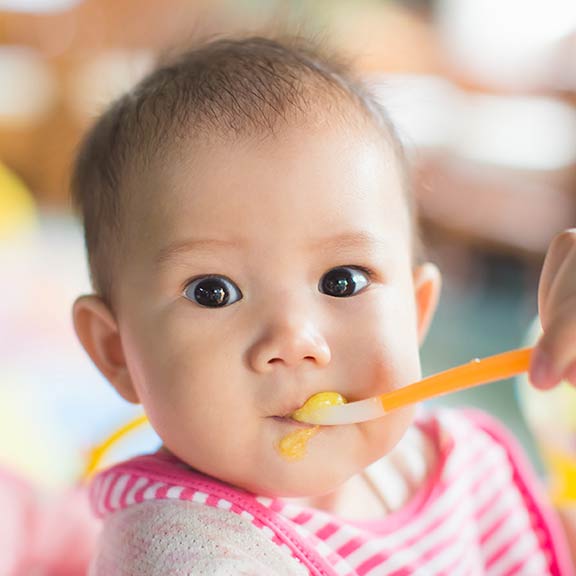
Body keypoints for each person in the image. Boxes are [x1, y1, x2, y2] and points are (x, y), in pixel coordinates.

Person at [71, 35, 576, 575]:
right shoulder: (181, 548)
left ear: (418, 310)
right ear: (116, 350)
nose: (293, 340)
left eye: (342, 281)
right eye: (212, 292)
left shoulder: (463, 464)